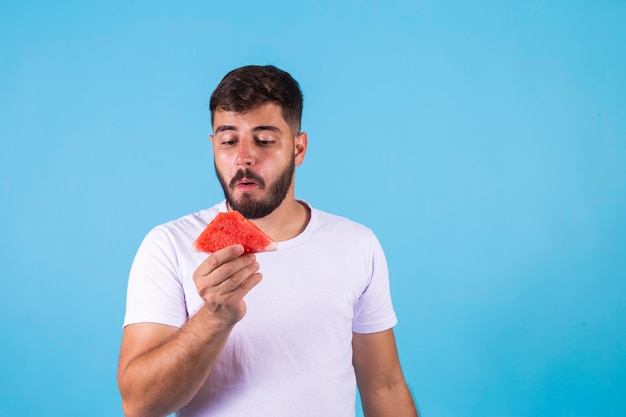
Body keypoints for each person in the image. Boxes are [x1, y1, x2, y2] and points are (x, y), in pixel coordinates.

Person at [117, 65, 418, 417]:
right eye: (229, 141)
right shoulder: (169, 245)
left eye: (264, 140)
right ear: (213, 147)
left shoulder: (357, 245)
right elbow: (139, 404)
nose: (244, 157)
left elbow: (384, 386)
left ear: (299, 148)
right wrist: (213, 318)